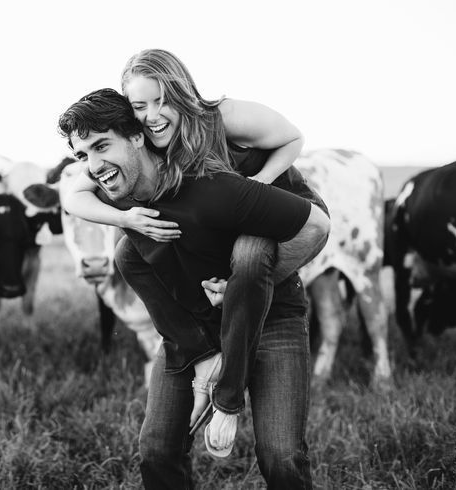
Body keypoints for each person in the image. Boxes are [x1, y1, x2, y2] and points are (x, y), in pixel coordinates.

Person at [61, 47, 329, 469]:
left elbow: (305, 191)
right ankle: (207, 363)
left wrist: (260, 184)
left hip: (271, 264)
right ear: (134, 122)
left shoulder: (219, 130)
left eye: (162, 100)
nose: (152, 115)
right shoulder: (129, 162)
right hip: (198, 317)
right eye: (140, 106)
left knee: (251, 250)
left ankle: (226, 398)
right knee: (128, 252)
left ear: (182, 92)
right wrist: (125, 216)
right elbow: (75, 193)